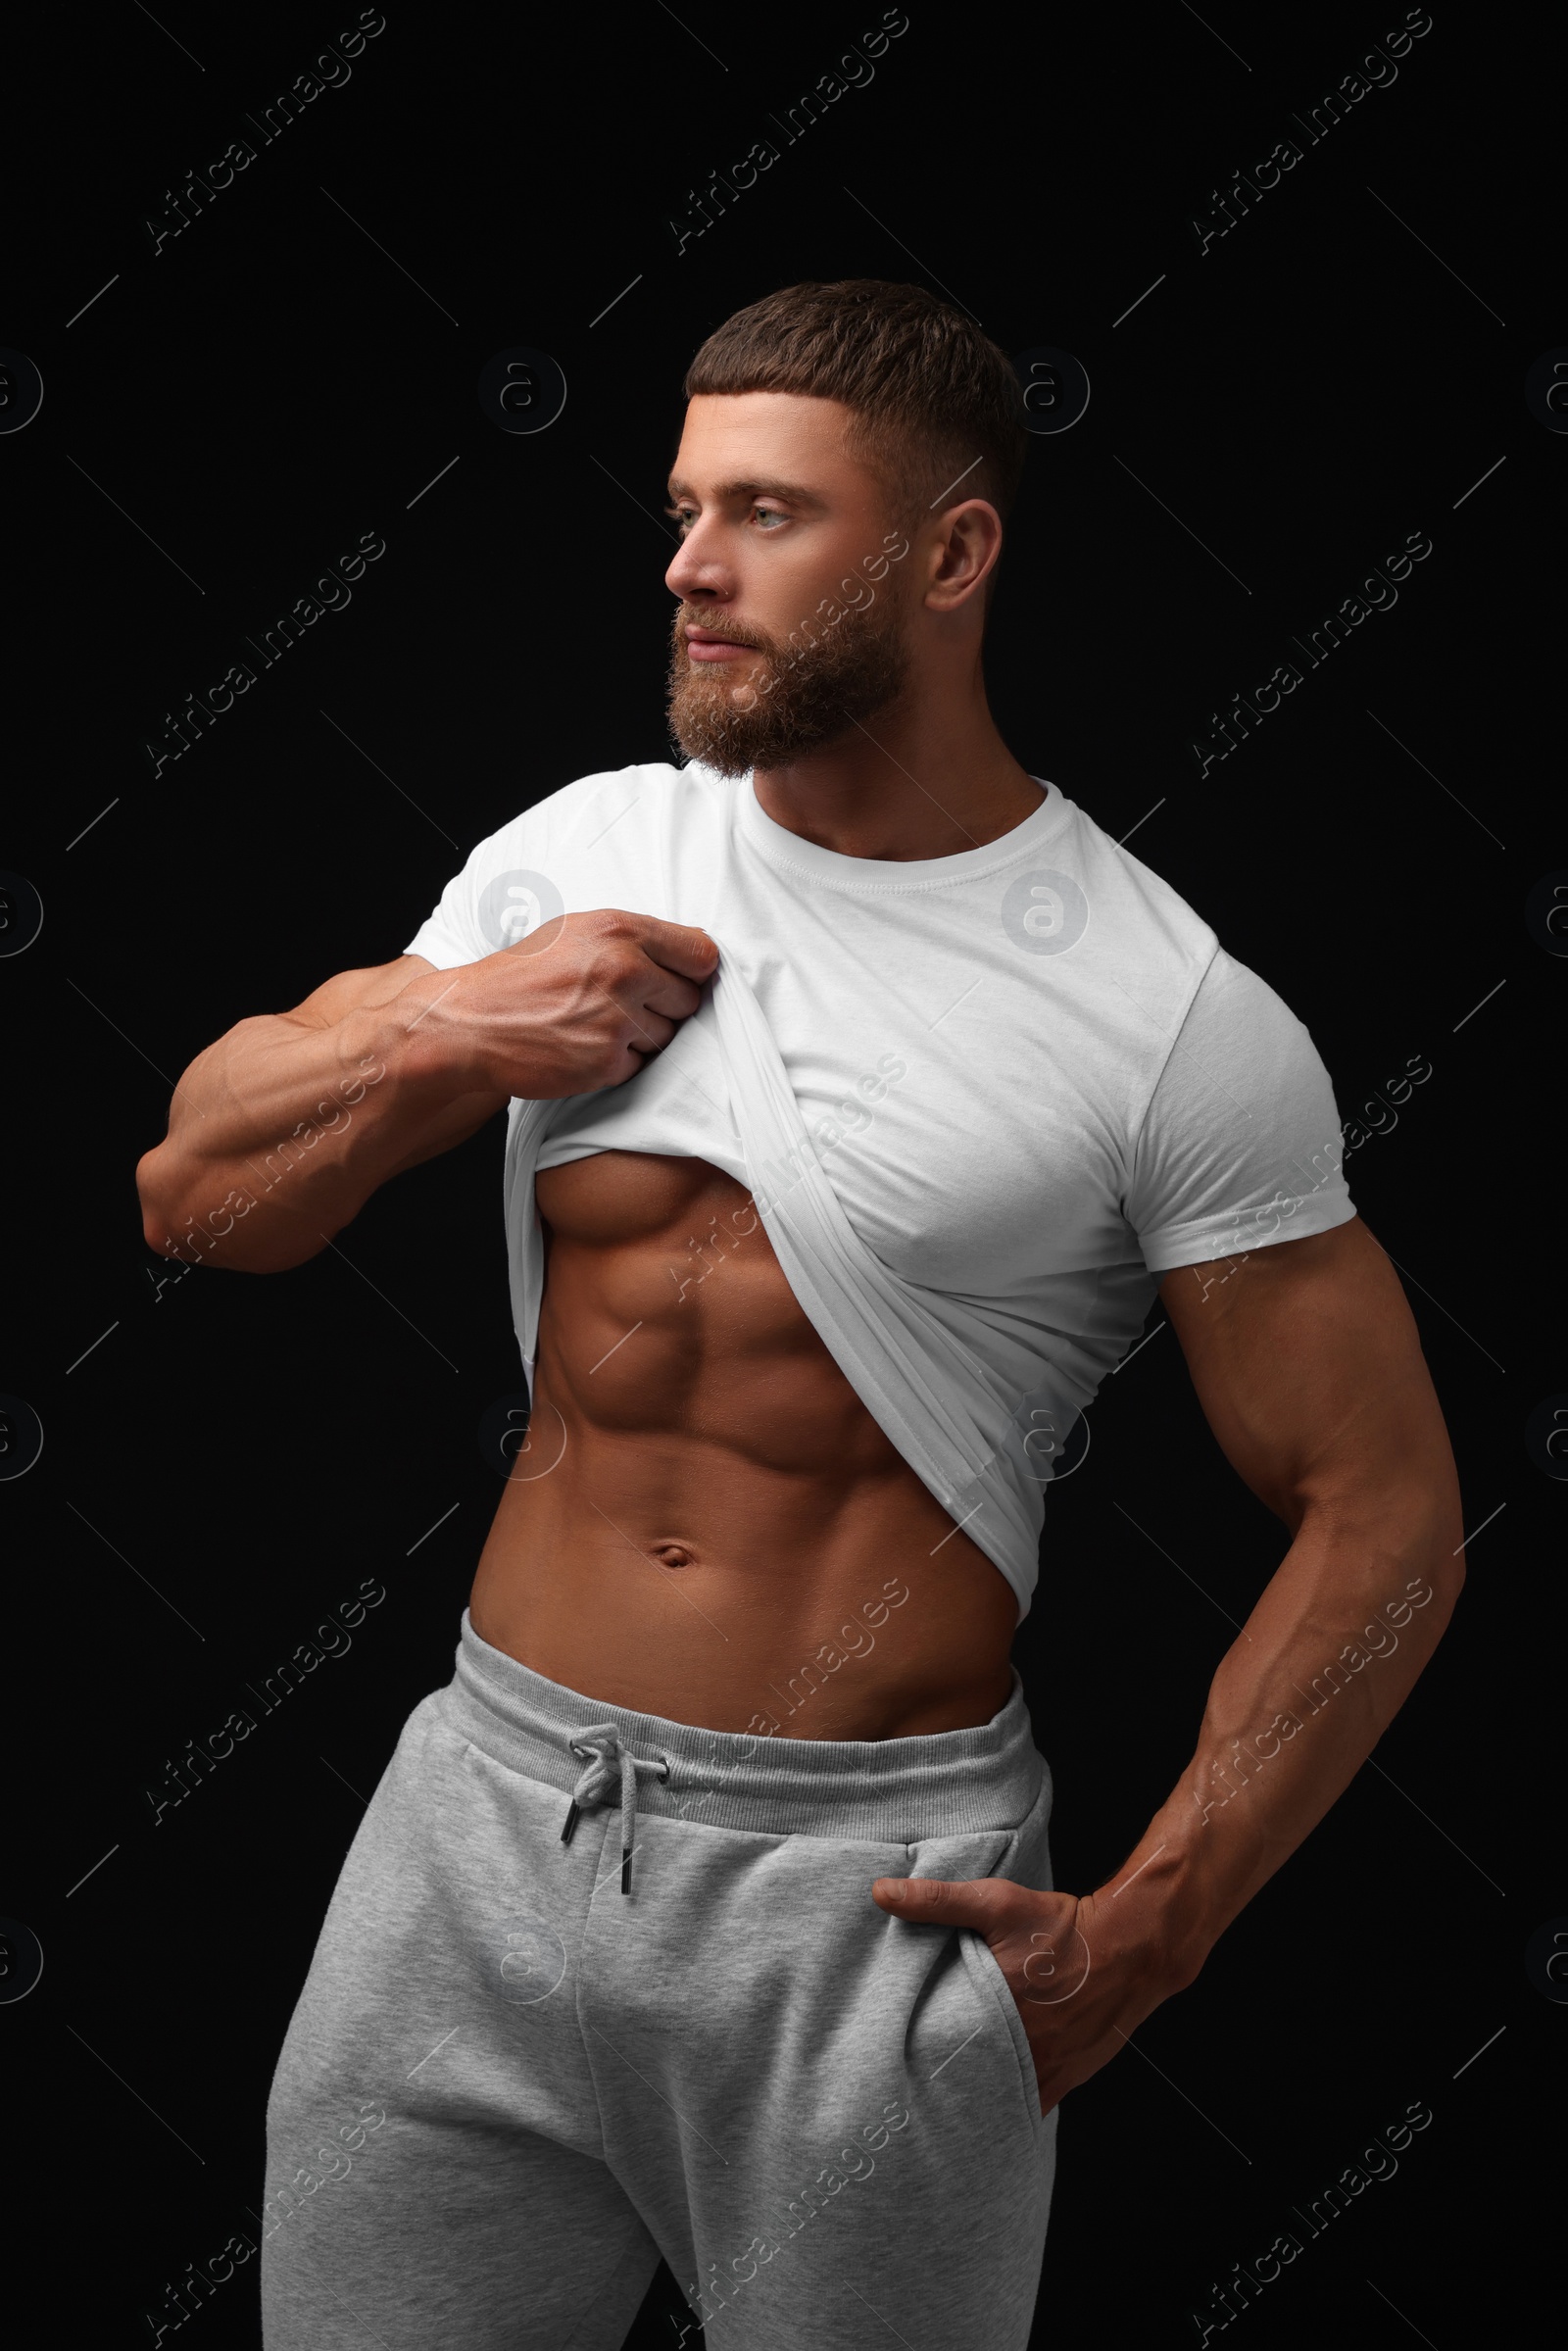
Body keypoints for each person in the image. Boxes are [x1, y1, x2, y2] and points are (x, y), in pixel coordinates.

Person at [136, 279, 1464, 2351]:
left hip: (859, 1899)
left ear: (949, 554)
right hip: (478, 1826)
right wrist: (459, 1027)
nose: (685, 564)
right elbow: (199, 1198)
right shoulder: (582, 856)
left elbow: (1378, 1509)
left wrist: (1154, 1932)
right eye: (680, 509)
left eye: (763, 513)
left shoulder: (1161, 1013)